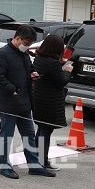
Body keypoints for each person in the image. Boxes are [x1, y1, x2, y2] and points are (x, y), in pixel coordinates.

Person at [0, 25, 55, 179]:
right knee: (6, 136)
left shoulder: (24, 53)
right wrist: (12, 89)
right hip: (9, 102)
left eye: (29, 44)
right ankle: (5, 167)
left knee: (29, 135)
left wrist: (33, 72)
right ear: (18, 38)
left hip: (24, 102)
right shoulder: (3, 54)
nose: (26, 46)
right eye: (26, 43)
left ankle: (34, 165)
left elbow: (29, 66)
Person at [32, 34, 73, 171]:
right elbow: (61, 81)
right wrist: (67, 71)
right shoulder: (53, 63)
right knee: (46, 130)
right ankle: (42, 161)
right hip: (49, 101)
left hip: (39, 98)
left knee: (42, 128)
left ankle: (38, 158)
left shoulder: (39, 58)